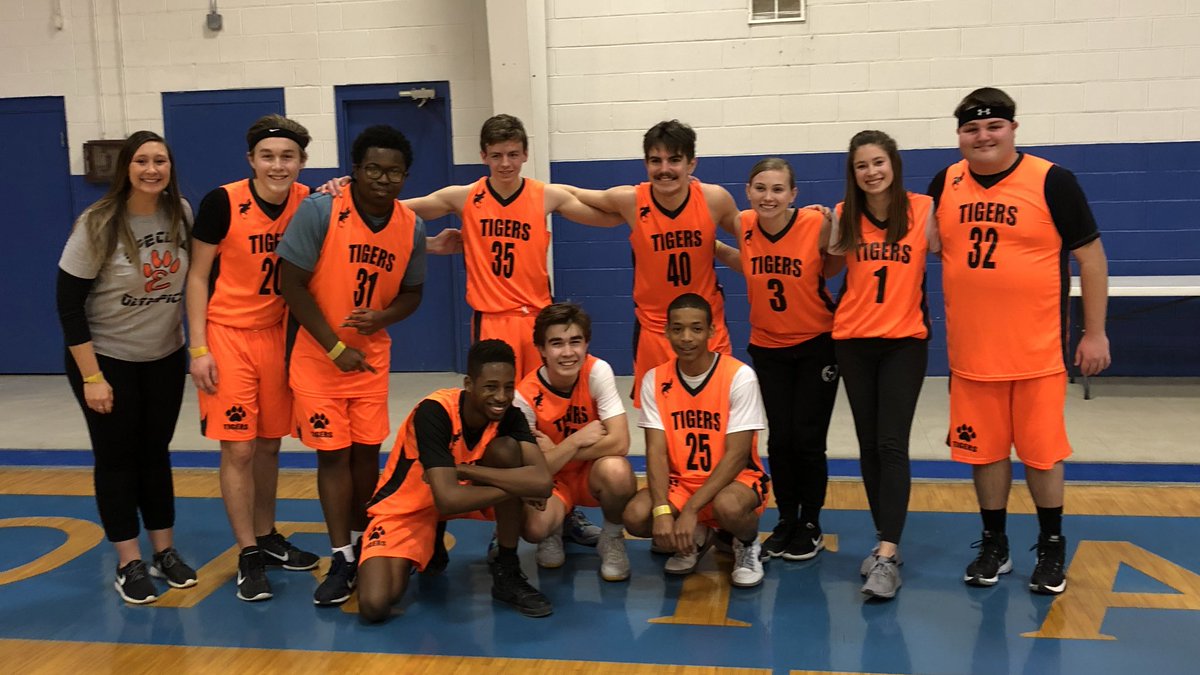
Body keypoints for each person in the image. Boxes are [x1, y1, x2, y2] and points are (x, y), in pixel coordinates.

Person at [929, 87, 1111, 595]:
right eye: (971, 129)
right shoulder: (946, 181)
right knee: (984, 455)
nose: (983, 136)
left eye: (993, 127)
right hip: (971, 356)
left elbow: (1091, 259)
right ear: (959, 134)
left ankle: (1051, 547)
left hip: (1037, 355)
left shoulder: (1053, 180)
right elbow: (923, 244)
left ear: (1013, 128)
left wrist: (1094, 333)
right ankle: (995, 544)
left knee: (1042, 455)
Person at [277, 124, 427, 606]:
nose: (384, 179)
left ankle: (365, 543)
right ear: (356, 170)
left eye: (394, 171)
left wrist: (384, 315)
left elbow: (413, 293)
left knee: (366, 454)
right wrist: (334, 348)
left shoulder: (411, 226)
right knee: (333, 455)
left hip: (369, 360)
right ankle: (341, 554)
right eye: (374, 169)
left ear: (405, 176)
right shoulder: (321, 210)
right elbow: (292, 285)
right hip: (320, 359)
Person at [56, 130, 197, 604]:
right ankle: (128, 561)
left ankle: (165, 552)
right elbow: (68, 304)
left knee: (155, 453)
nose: (152, 169)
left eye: (160, 160)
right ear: (127, 169)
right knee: (117, 461)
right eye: (142, 161)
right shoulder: (98, 222)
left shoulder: (181, 213)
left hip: (163, 356)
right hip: (107, 360)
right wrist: (92, 377)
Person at [185, 114, 320, 602]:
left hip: (277, 336)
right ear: (251, 160)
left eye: (288, 157)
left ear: (302, 162)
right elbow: (197, 277)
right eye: (268, 156)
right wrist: (197, 348)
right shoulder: (222, 202)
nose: (277, 165)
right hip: (227, 334)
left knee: (268, 445)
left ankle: (267, 537)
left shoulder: (310, 201)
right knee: (237, 448)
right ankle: (247, 552)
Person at [396, 114, 621, 378]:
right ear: (483, 156)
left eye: (513, 154)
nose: (505, 163)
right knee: (495, 401)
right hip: (491, 318)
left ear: (525, 154)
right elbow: (393, 213)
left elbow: (610, 218)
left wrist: (654, 198)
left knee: (539, 398)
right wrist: (429, 245)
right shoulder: (464, 197)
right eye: (496, 155)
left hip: (538, 318)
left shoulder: (545, 195)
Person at [356, 340, 555, 622]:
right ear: (469, 384)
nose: (501, 397)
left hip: (466, 491)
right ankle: (425, 541)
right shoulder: (434, 412)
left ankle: (507, 570)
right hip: (411, 506)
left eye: (508, 387)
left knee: (506, 451)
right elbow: (447, 500)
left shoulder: (511, 416)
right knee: (375, 605)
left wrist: (467, 471)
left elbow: (543, 482)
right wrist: (516, 486)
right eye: (490, 386)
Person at [823, 131, 938, 599]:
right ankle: (883, 539)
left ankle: (888, 553)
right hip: (852, 341)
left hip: (903, 343)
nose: (871, 172)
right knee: (868, 445)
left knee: (892, 443)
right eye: (861, 166)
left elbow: (954, 250)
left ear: (894, 164)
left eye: (878, 162)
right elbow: (829, 268)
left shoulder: (924, 209)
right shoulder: (842, 215)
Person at [564, 120, 739, 407]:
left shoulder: (713, 199)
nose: (664, 169)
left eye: (674, 160)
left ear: (691, 164)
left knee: (715, 409)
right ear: (646, 164)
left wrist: (799, 221)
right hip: (655, 330)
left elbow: (757, 238)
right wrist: (531, 190)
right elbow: (571, 196)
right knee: (660, 418)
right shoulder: (631, 200)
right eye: (655, 160)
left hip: (707, 326)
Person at [623, 293, 769, 587]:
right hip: (682, 482)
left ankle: (746, 543)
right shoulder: (654, 379)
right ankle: (699, 536)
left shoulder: (740, 376)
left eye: (696, 329)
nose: (686, 338)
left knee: (727, 507)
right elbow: (656, 452)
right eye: (677, 329)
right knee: (636, 517)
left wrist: (689, 510)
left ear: (711, 331)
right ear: (666, 331)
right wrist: (663, 510)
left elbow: (737, 455)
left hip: (735, 480)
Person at [735, 158, 839, 564]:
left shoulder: (816, 224)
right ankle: (786, 519)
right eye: (760, 187)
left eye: (778, 189)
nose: (768, 196)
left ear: (794, 194)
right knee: (780, 439)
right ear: (748, 191)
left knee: (807, 439)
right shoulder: (744, 224)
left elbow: (839, 260)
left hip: (815, 343)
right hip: (767, 346)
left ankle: (810, 523)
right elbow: (745, 263)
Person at [513, 303, 636, 581]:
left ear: (586, 344)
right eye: (557, 343)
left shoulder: (597, 371)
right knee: (534, 528)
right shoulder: (524, 396)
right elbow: (534, 472)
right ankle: (555, 530)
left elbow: (620, 442)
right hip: (552, 483)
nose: (568, 353)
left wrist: (555, 453)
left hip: (589, 474)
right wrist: (575, 441)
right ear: (541, 349)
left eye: (575, 342)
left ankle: (612, 538)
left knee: (617, 470)